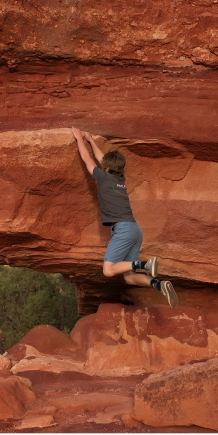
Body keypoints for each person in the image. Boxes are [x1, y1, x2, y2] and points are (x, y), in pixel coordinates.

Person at [71, 127, 177, 308]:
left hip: (123, 230)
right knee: (129, 277)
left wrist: (79, 138)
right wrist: (90, 139)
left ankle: (145, 264)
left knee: (109, 270)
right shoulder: (120, 180)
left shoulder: (104, 178)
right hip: (135, 230)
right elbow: (102, 159)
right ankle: (158, 284)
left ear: (106, 168)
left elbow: (88, 160)